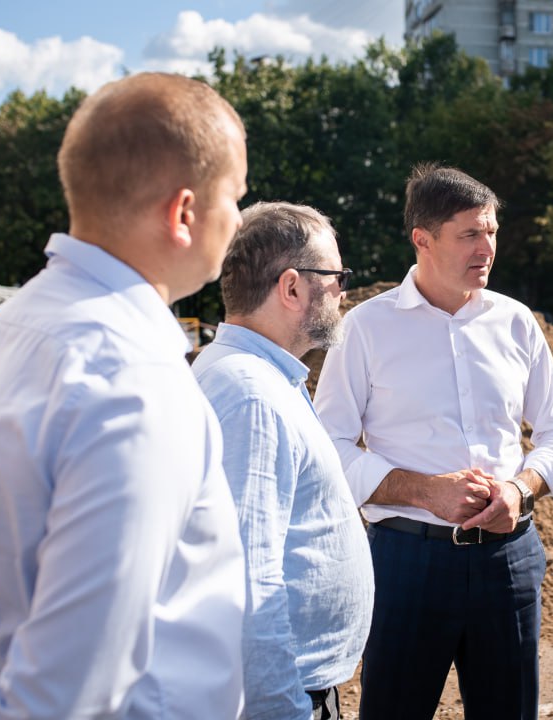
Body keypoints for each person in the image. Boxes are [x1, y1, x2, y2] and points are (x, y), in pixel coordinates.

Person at [0, 73, 250, 719]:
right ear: (184, 213)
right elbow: (66, 696)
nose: (238, 220)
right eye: (235, 196)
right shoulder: (134, 380)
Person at [313, 164, 553, 720]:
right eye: (469, 234)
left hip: (509, 559)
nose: (487, 248)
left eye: (492, 231)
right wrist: (423, 491)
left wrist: (520, 489)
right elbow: (328, 447)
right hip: (406, 563)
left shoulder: (517, 322)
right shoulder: (364, 328)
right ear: (423, 239)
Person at [192, 202, 373, 720]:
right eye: (336, 277)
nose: (343, 292)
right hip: (284, 698)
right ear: (291, 287)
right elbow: (247, 581)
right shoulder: (250, 395)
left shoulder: (261, 378)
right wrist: (281, 709)